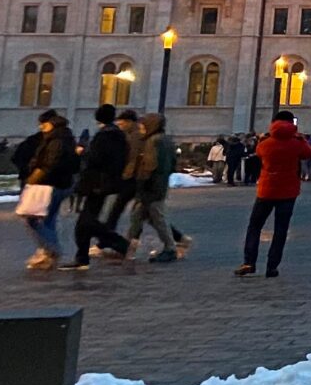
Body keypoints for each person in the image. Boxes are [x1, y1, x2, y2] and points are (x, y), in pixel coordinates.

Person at [235, 111, 307, 277]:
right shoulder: (296, 143)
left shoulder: (266, 142)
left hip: (267, 190)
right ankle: (272, 266)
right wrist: (300, 138)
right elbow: (308, 153)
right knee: (280, 229)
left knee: (255, 226)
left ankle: (249, 262)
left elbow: (259, 153)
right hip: (288, 191)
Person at [70, 105, 133, 270]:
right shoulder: (119, 136)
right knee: (86, 222)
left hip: (97, 183)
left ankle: (119, 244)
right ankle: (82, 258)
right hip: (107, 183)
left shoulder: (103, 136)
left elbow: (95, 159)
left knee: (85, 222)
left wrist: (82, 152)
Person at [122, 112, 191, 262]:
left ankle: (170, 248)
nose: (140, 129)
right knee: (138, 216)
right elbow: (173, 164)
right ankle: (126, 246)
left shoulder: (152, 142)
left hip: (151, 186)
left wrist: (142, 181)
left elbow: (149, 165)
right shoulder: (166, 140)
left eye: (143, 126)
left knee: (157, 218)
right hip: (159, 184)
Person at [15, 111, 77, 269]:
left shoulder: (56, 140)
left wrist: (33, 177)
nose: (41, 127)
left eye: (43, 124)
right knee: (48, 220)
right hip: (59, 184)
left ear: (51, 124)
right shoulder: (64, 137)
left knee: (33, 218)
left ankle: (51, 249)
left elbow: (50, 164)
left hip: (49, 185)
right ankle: (48, 252)